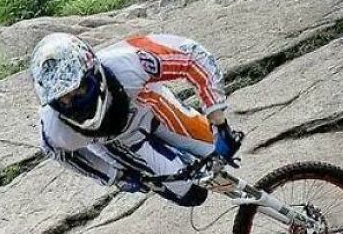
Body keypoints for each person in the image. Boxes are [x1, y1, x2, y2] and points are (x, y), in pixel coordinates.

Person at [31, 33, 240, 207]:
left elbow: (192, 56)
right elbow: (59, 152)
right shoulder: (56, 130)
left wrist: (218, 120)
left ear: (94, 74)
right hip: (120, 142)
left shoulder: (128, 64)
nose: (74, 103)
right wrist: (115, 176)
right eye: (63, 99)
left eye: (79, 90)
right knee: (192, 195)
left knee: (217, 150)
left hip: (152, 109)